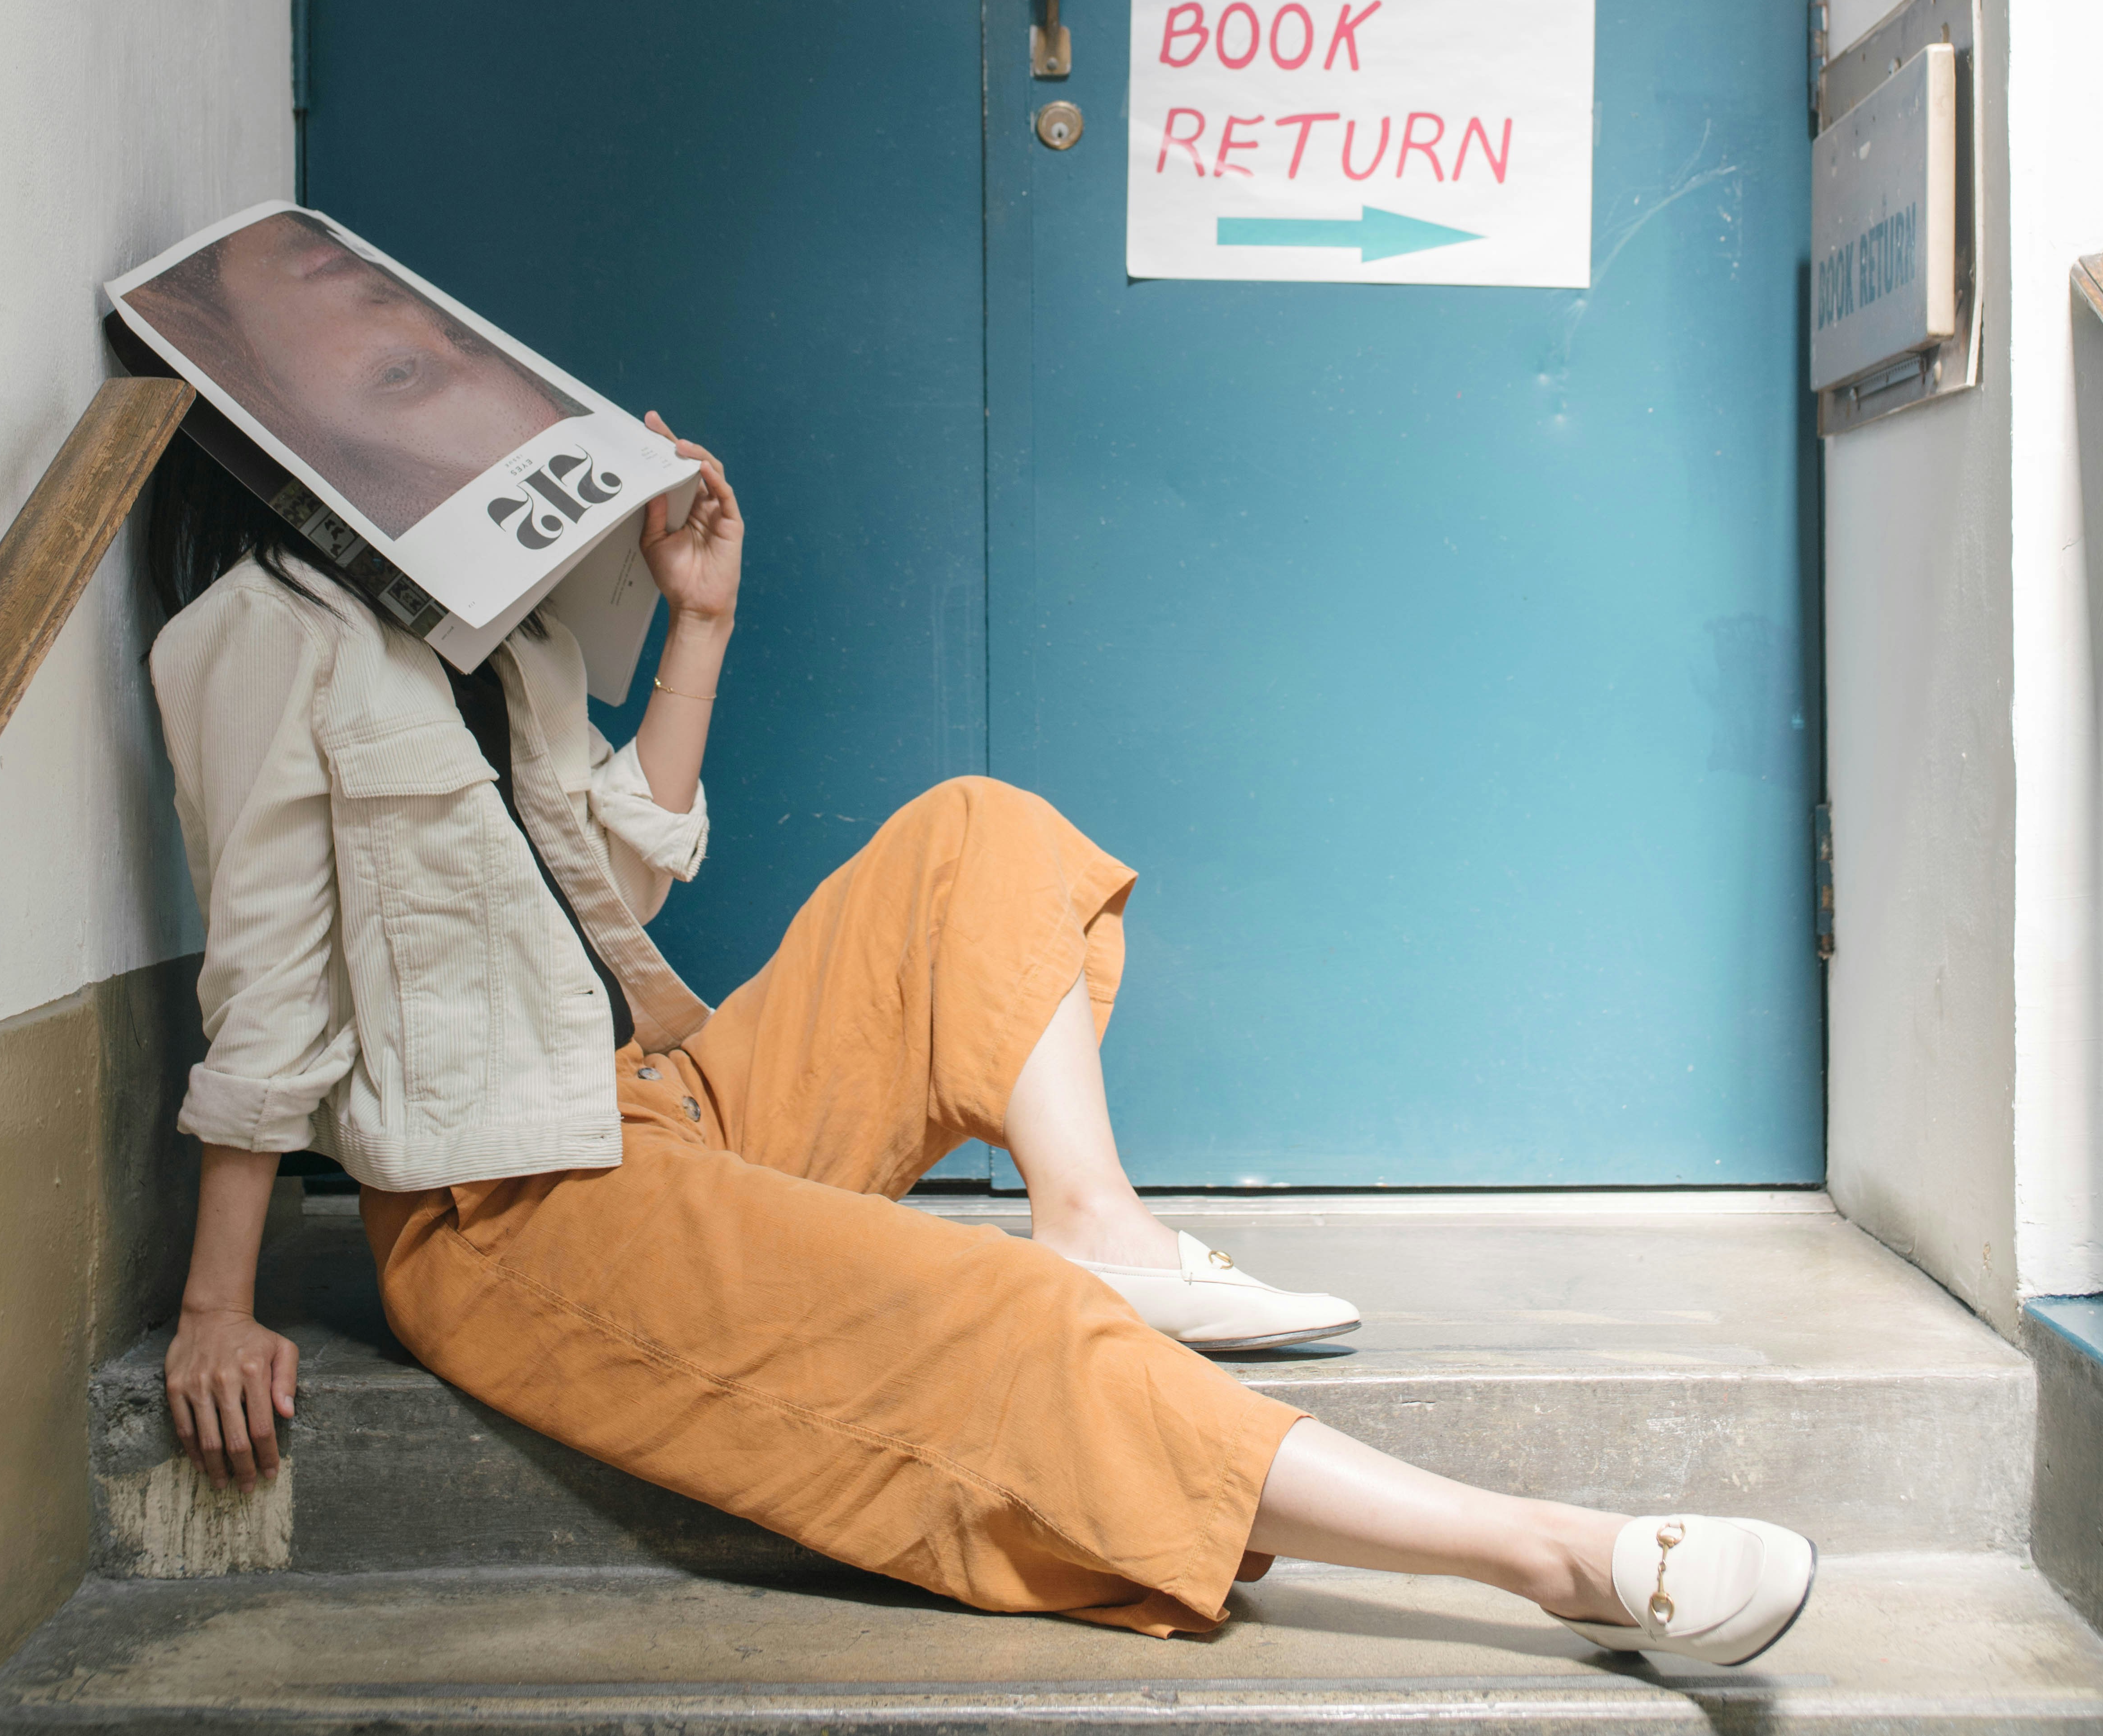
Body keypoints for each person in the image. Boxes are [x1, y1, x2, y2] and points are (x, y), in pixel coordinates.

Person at [146, 416, 1816, 1667]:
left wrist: (694, 623)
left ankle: (1095, 1223)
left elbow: (620, 855)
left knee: (974, 834)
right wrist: (219, 1299)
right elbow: (273, 980)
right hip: (503, 1212)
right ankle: (1563, 1560)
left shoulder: (477, 626)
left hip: (646, 1100)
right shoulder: (256, 640)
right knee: (983, 1315)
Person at [128, 208, 583, 536]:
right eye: (457, 336)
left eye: (398, 374)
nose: (409, 310)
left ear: (299, 439)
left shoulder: (291, 632)